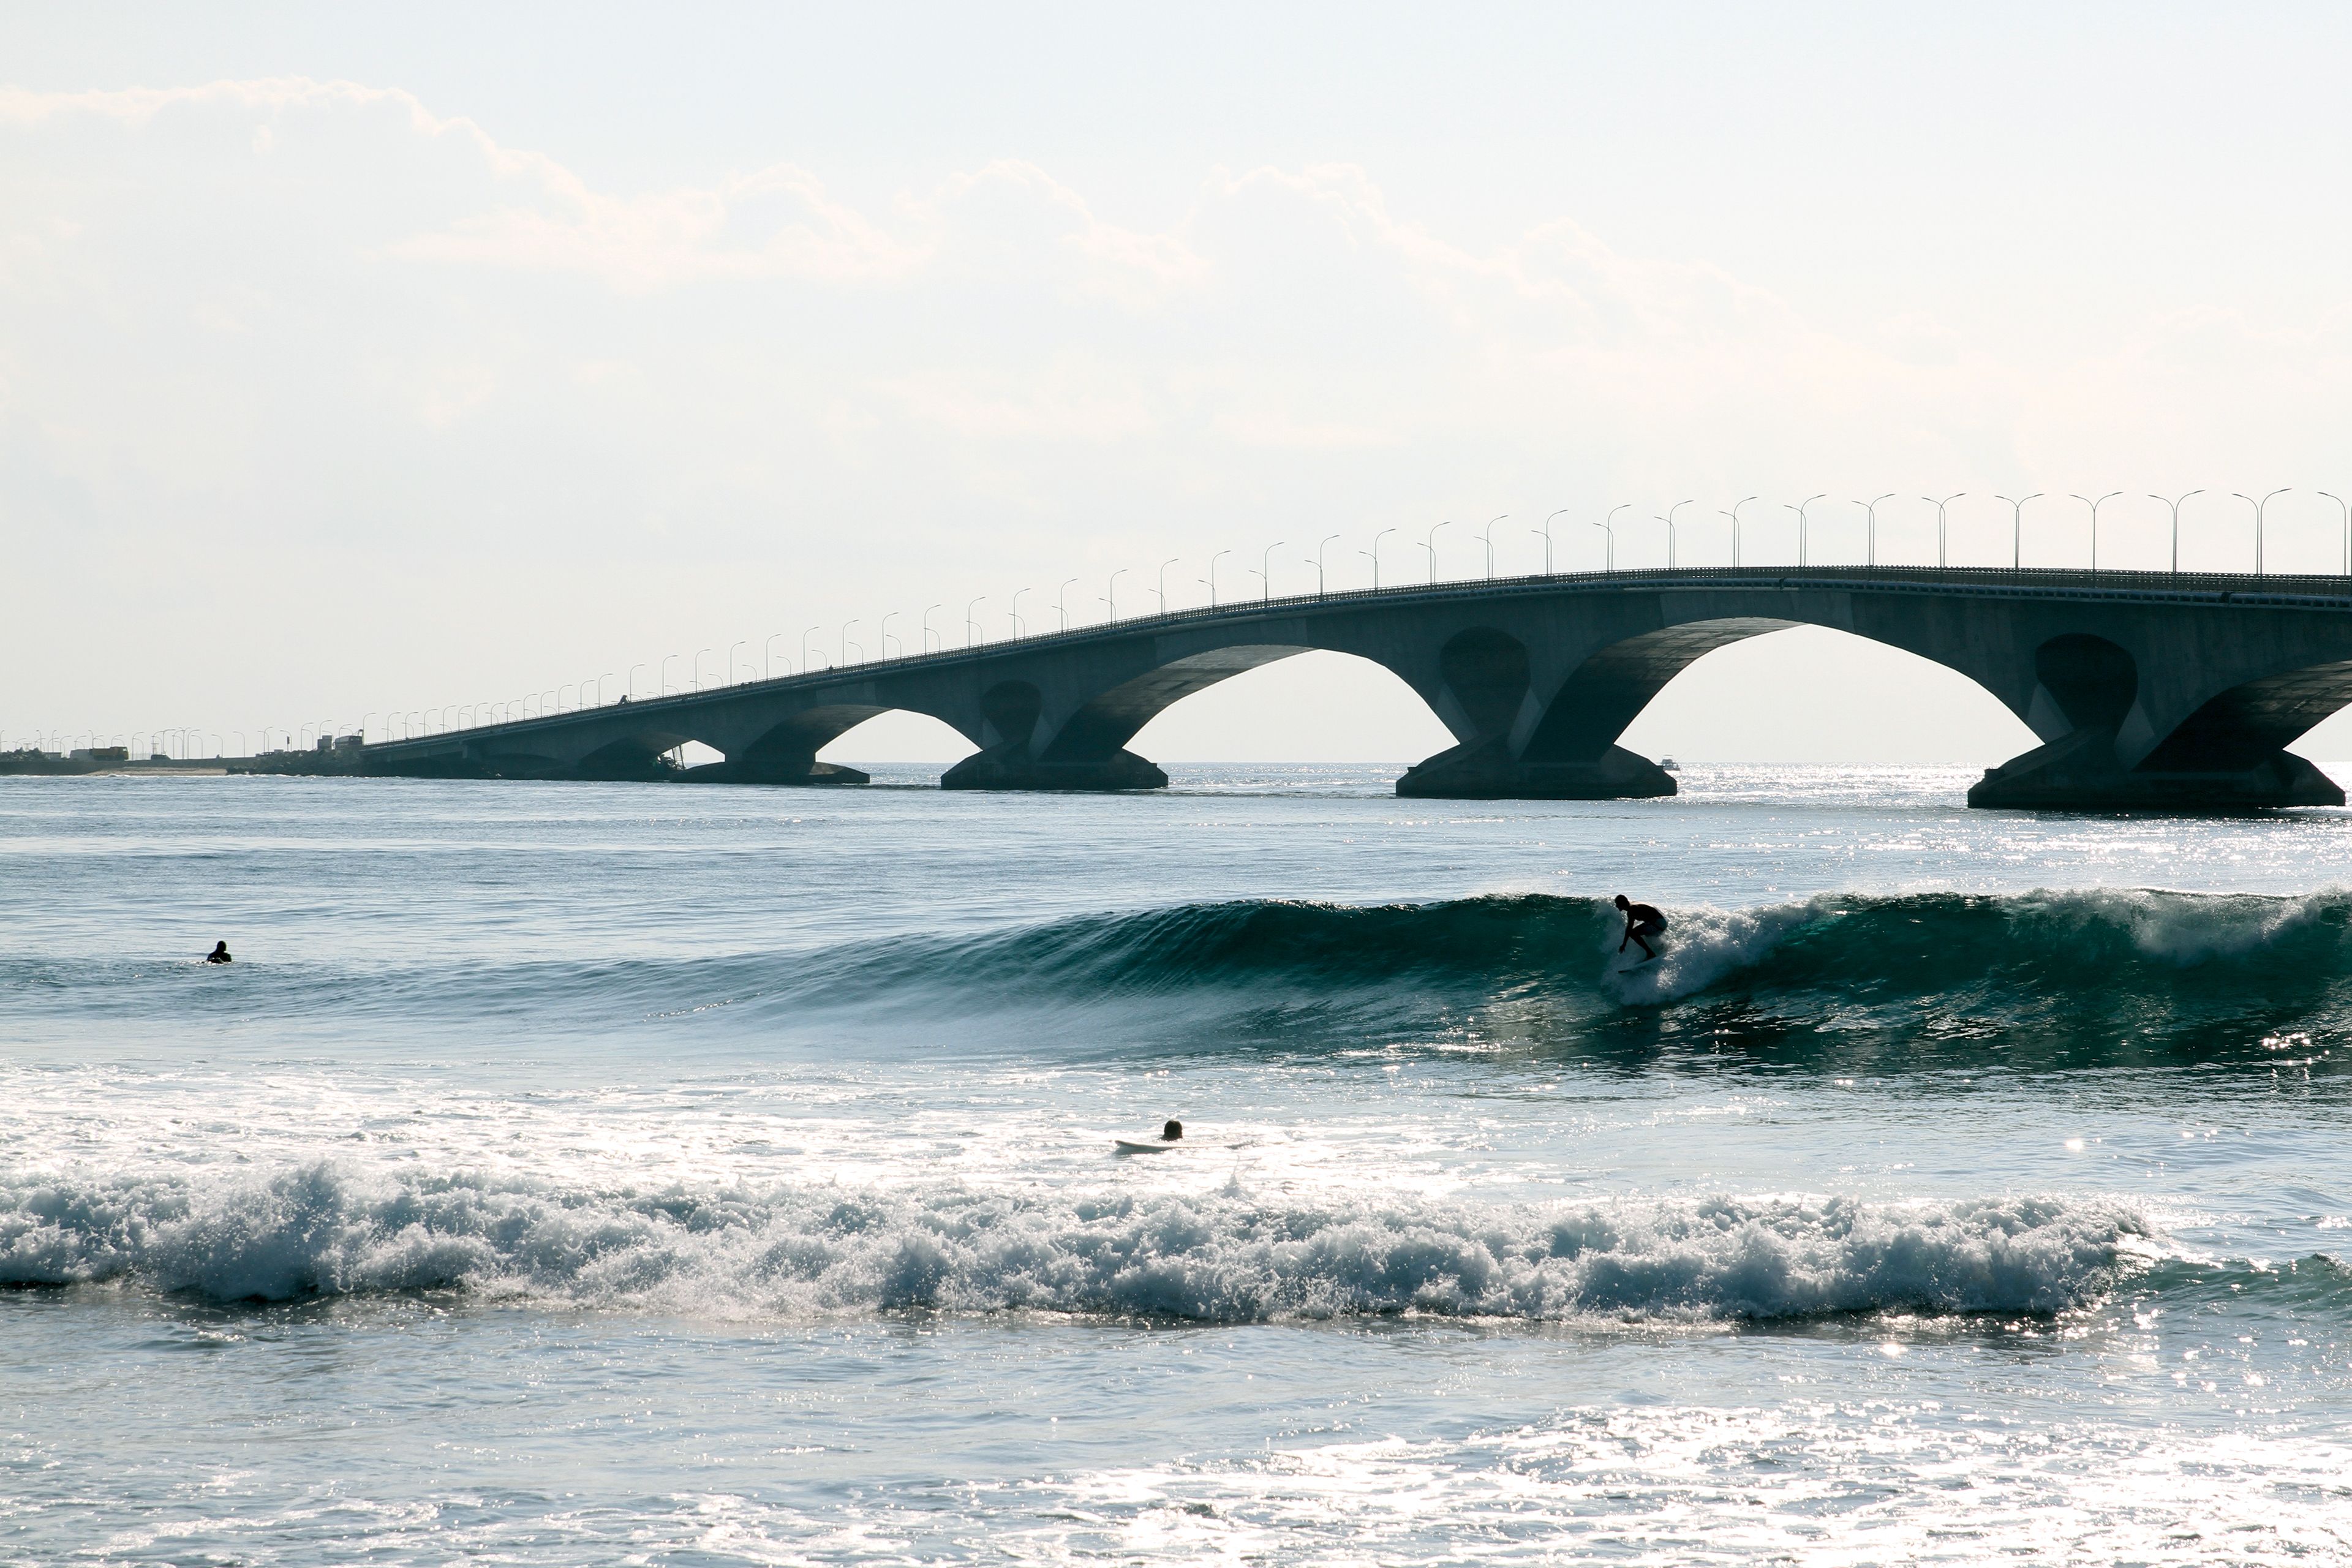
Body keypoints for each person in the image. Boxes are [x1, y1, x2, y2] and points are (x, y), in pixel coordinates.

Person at [1615, 894, 1667, 962]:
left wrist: (1624, 944)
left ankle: (1650, 953)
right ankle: (1662, 948)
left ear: (1622, 903)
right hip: (1661, 922)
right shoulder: (1632, 905)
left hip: (1658, 923)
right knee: (1642, 932)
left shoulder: (1632, 910)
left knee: (1633, 933)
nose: (1616, 906)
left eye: (1617, 904)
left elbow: (1629, 928)